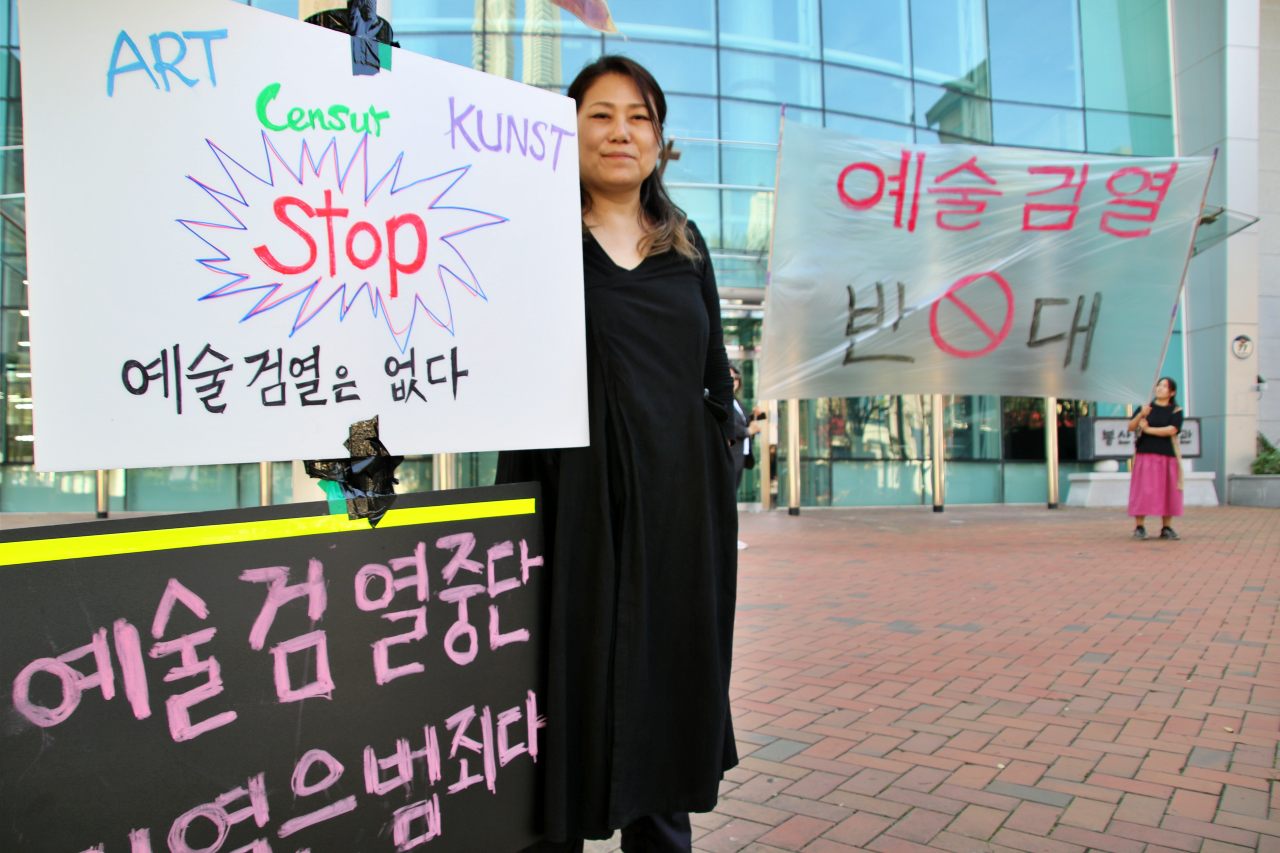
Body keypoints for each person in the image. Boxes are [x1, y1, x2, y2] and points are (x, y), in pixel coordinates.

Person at [496, 55, 738, 852]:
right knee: (561, 688)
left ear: (659, 140)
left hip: (677, 520)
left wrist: (713, 468)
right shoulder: (538, 242)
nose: (620, 132)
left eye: (639, 117)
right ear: (566, 131)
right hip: (571, 510)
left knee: (663, 700)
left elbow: (714, 378)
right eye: (600, 114)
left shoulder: (687, 246)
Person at [1127, 376, 1184, 540]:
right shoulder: (1146, 407)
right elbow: (1131, 427)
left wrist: (1148, 430)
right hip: (1145, 454)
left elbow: (1172, 430)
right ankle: (1139, 527)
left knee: (1168, 491)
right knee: (1143, 490)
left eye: (1164, 386)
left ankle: (1166, 527)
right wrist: (1141, 415)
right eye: (1159, 385)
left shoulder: (1176, 410)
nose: (1160, 388)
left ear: (1172, 392)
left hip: (1167, 456)